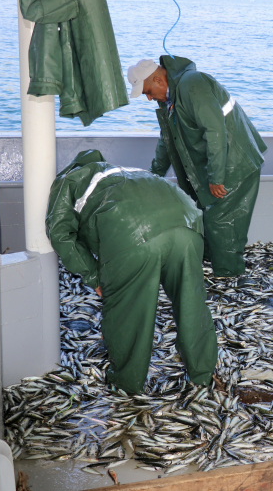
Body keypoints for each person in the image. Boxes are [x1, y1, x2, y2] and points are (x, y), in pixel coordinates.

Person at [46, 150, 218, 394]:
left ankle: (127, 386)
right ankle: (203, 374)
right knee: (191, 302)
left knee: (128, 312)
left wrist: (93, 276)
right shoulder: (124, 171)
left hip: (133, 234)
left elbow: (60, 233)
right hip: (188, 224)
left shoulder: (67, 180)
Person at [127, 56, 267, 279]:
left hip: (234, 164)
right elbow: (167, 140)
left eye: (147, 92)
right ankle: (215, 268)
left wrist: (216, 177)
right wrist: (153, 176)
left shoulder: (192, 84)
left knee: (221, 223)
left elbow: (215, 131)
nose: (149, 98)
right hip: (215, 166)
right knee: (204, 218)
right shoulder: (170, 99)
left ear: (157, 79)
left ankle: (229, 279)